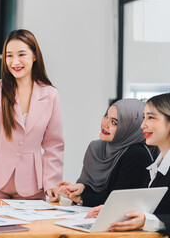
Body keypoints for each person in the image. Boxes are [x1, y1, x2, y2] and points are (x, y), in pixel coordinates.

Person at [0, 29, 64, 200]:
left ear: (34, 56)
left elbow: (53, 144)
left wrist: (51, 183)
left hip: (31, 185)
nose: (15, 61)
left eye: (21, 54)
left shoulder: (50, 94)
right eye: (9, 56)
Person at [86, 92, 170, 236]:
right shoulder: (157, 166)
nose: (143, 125)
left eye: (151, 118)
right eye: (144, 118)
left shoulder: (141, 156)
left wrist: (148, 220)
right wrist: (117, 212)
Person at [57, 99, 154, 207]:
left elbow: (118, 200)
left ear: (129, 128)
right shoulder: (96, 148)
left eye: (114, 122)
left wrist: (81, 198)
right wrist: (80, 188)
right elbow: (95, 189)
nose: (105, 124)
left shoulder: (137, 154)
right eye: (106, 116)